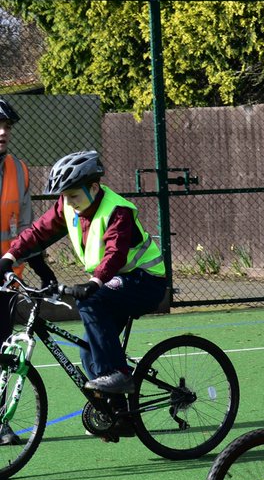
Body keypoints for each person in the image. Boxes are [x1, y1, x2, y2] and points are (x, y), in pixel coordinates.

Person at [1, 150, 167, 405]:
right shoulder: (67, 205)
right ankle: (117, 414)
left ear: (94, 186)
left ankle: (119, 374)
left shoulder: (117, 210)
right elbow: (38, 233)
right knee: (89, 350)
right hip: (115, 282)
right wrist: (9, 257)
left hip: (145, 281)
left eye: (74, 195)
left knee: (91, 302)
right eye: (65, 196)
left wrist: (95, 282)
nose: (69, 202)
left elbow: (115, 253)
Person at [0, 97, 54, 446]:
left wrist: (40, 267)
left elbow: (26, 229)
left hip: (5, 280)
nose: (3, 132)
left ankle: (0, 422)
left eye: (7, 127)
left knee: (3, 352)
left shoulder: (19, 170)